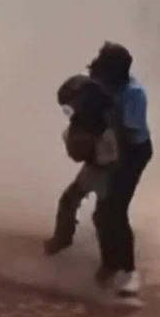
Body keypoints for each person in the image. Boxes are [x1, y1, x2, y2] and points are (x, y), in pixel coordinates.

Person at [87, 42, 152, 300]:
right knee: (101, 214)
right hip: (111, 151)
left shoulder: (134, 93)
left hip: (133, 154)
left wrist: (109, 160)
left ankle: (129, 272)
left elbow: (125, 134)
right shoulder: (100, 85)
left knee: (114, 209)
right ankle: (110, 264)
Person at [44, 72, 119, 257]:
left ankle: (112, 261)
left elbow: (84, 155)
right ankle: (64, 238)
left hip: (105, 170)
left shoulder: (102, 125)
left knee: (97, 214)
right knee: (73, 202)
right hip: (99, 168)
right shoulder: (105, 118)